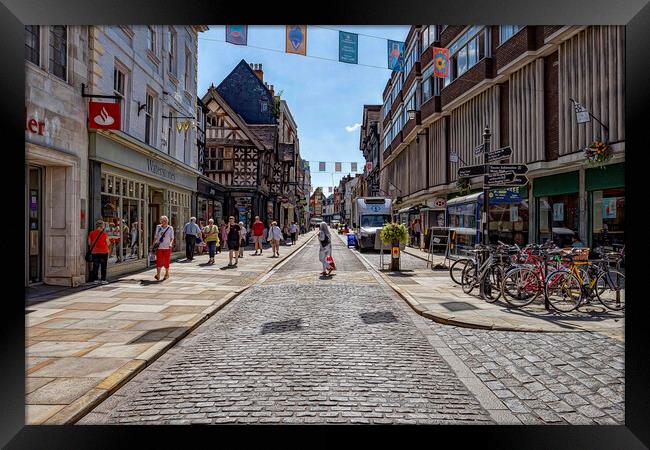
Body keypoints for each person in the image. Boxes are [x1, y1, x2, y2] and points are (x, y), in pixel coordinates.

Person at [88, 219, 111, 285]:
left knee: (96, 266)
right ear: (102, 226)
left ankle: (95, 279)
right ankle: (103, 279)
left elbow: (89, 242)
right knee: (103, 266)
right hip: (104, 251)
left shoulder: (91, 233)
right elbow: (108, 243)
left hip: (95, 252)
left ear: (96, 226)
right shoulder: (104, 234)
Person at [152, 215, 174, 281]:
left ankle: (167, 274)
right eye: (163, 221)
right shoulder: (158, 227)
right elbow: (156, 236)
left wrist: (170, 244)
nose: (165, 222)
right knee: (159, 261)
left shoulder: (170, 228)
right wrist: (153, 244)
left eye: (166, 220)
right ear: (161, 221)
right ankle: (158, 274)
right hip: (159, 247)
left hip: (167, 247)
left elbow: (172, 238)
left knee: (166, 261)